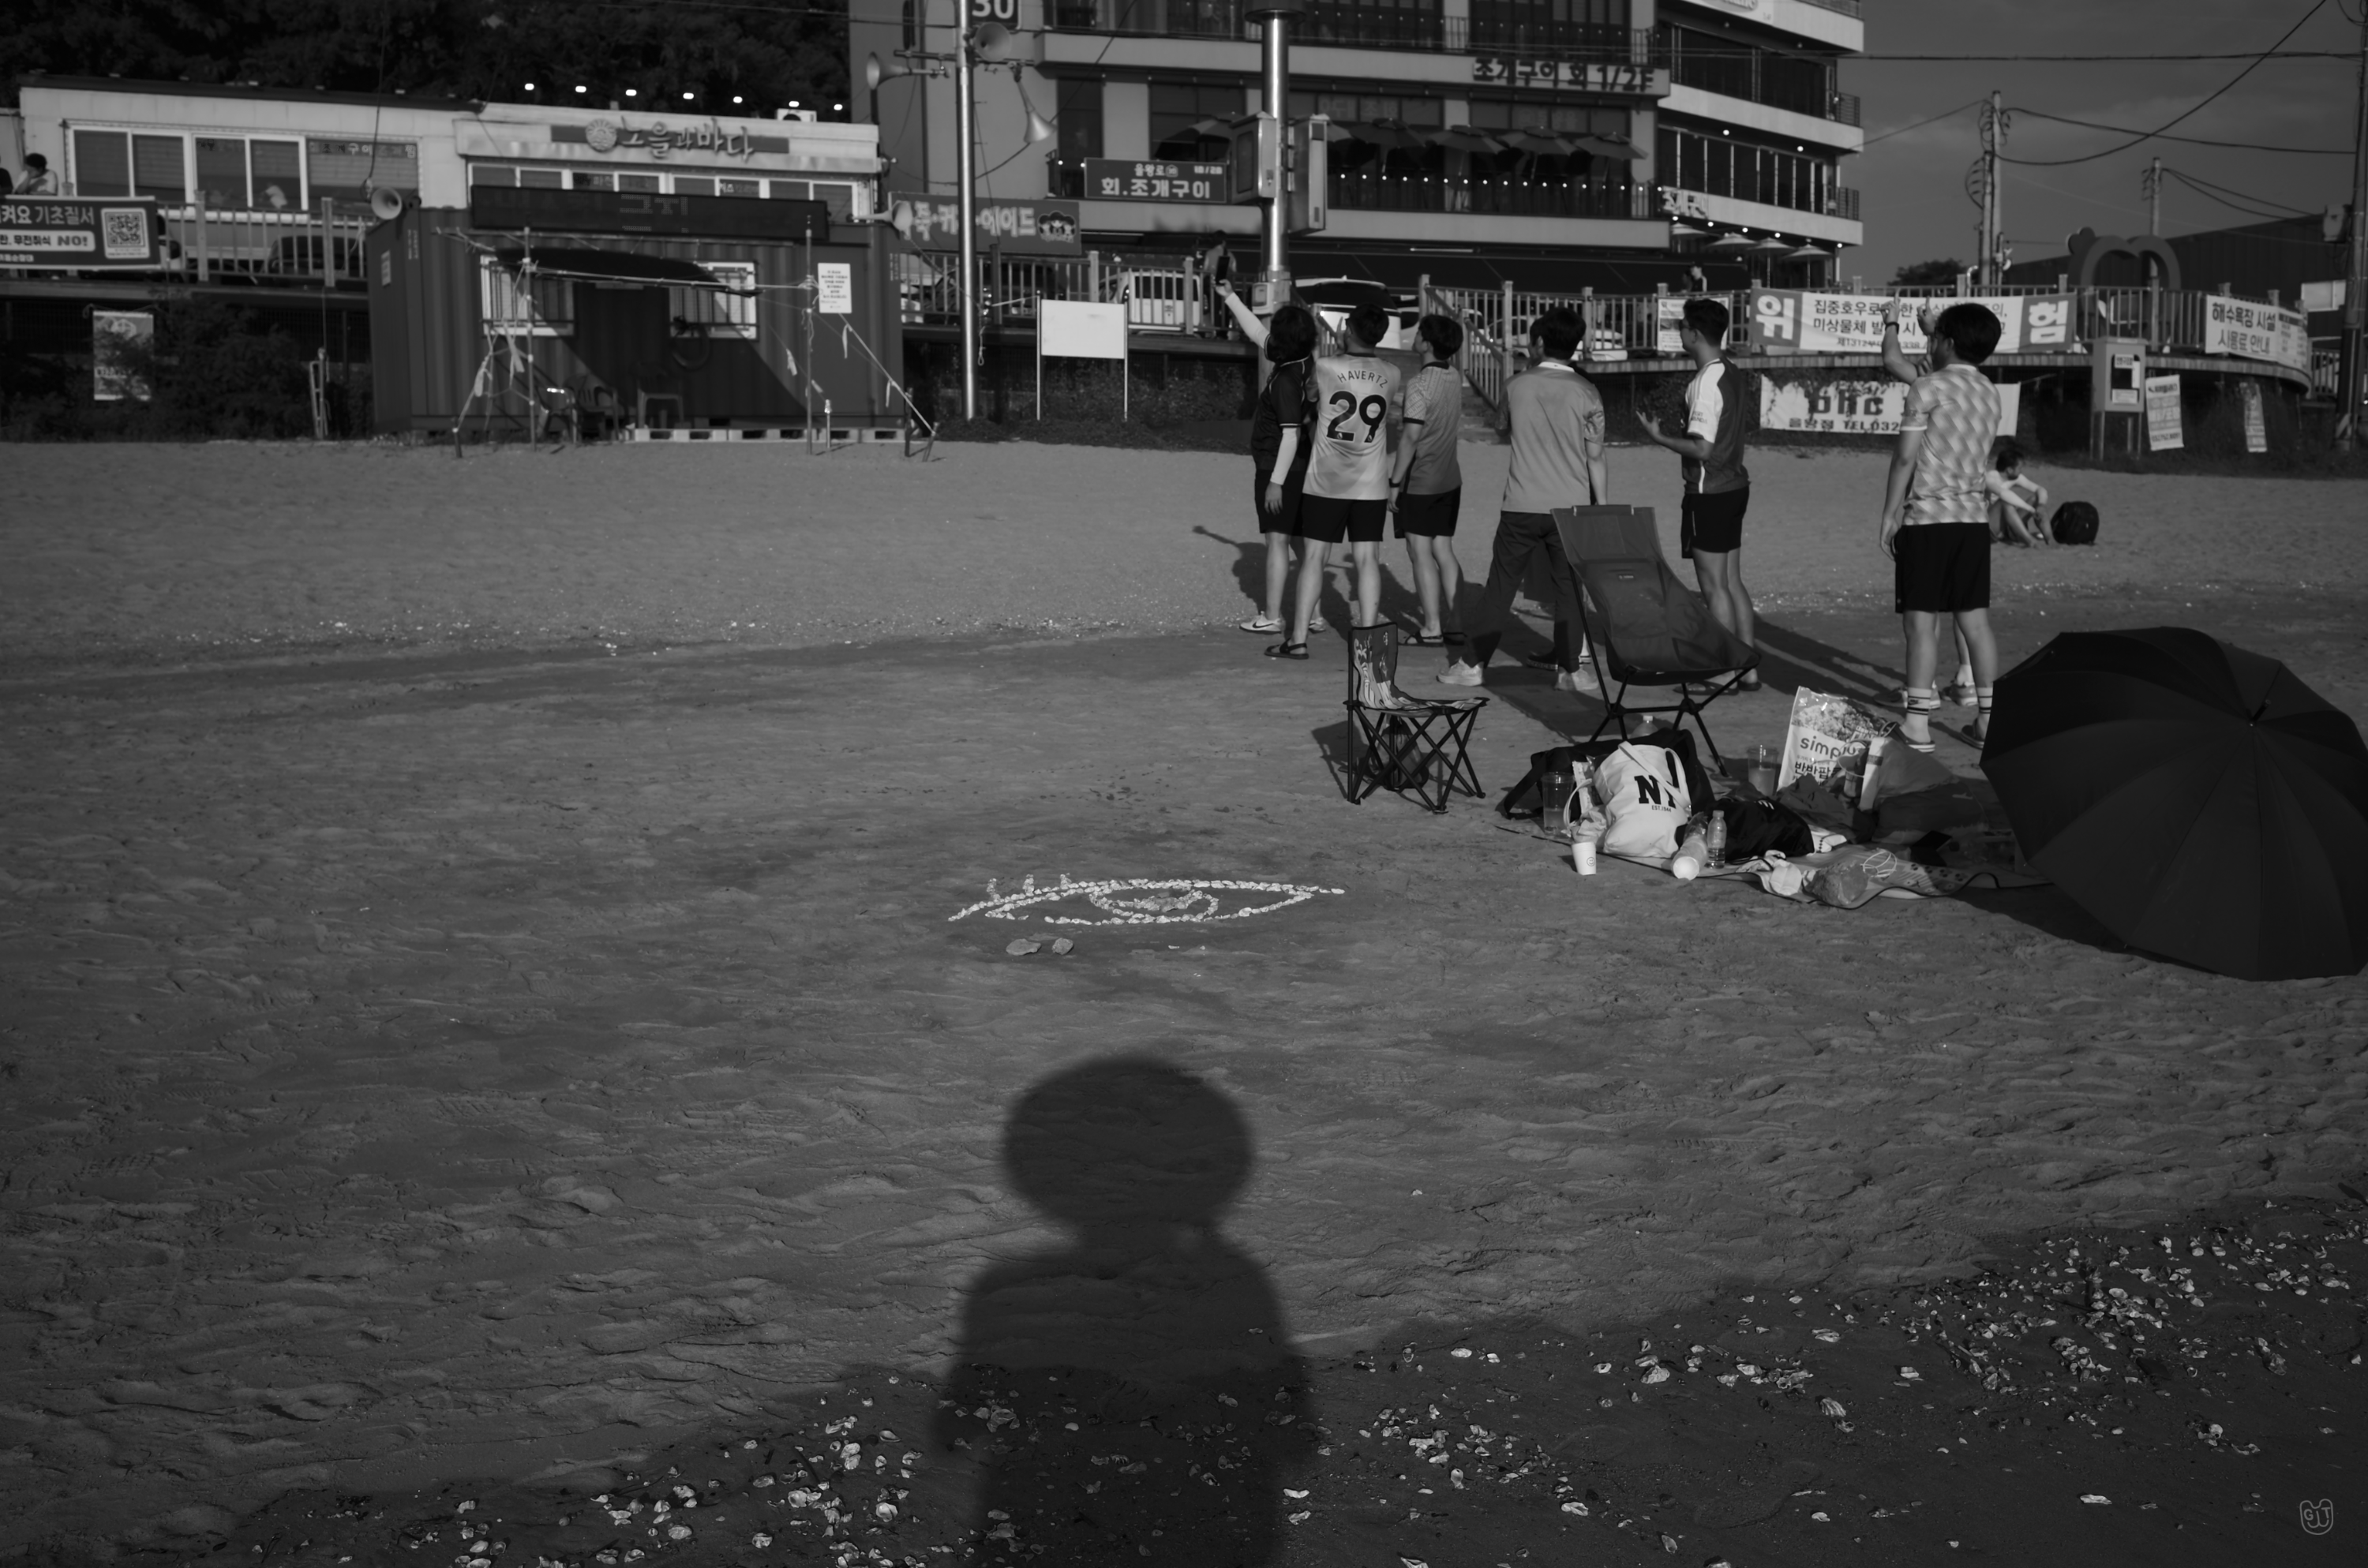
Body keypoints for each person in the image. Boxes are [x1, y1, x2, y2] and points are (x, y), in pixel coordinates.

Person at [1438, 305, 1605, 692]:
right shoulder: (1588, 391)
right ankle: (1571, 670)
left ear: (1540, 342)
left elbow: (1501, 429)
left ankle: (1472, 665)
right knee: (1569, 590)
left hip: (1522, 503)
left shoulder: (1516, 385)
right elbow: (1596, 456)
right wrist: (1601, 506)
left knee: (1501, 586)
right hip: (1571, 505)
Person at [1879, 301, 2005, 751]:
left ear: (1947, 341)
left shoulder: (1927, 387)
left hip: (1929, 519)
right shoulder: (1990, 392)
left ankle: (1917, 725)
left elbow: (1905, 457)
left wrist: (1890, 513)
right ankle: (1988, 720)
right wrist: (1937, 328)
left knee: (1921, 623)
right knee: (1976, 624)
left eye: (1935, 336)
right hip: (1973, 522)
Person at [1637, 294, 1759, 691]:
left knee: (1714, 586)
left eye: (1682, 326)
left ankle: (1724, 670)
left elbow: (1702, 449)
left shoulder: (1705, 381)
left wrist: (1658, 437)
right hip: (1735, 485)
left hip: (1710, 491)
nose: (1680, 333)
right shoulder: (1731, 371)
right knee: (1732, 581)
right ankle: (1748, 668)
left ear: (1694, 333)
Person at [1269, 301, 1399, 661]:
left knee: (1315, 557)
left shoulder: (1326, 367)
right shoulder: (1392, 373)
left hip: (1326, 479)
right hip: (1371, 480)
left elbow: (1311, 397)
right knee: (1368, 559)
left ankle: (1298, 639)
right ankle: (1368, 641)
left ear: (1349, 329)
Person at [1216, 279, 1323, 640]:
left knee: (1277, 541)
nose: (1270, 336)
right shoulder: (1304, 361)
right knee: (1300, 542)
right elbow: (1257, 333)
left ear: (1284, 340)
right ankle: (1313, 615)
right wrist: (1230, 297)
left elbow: (1290, 434)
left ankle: (1273, 617)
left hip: (1279, 466)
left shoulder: (1285, 380)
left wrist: (1275, 481)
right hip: (1303, 467)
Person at [1939, 437, 2049, 705]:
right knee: (1975, 619)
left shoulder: (1952, 471)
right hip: (1978, 538)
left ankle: (1962, 682)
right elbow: (2004, 495)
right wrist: (2031, 508)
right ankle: (1978, 694)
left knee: (1947, 613)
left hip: (1958, 538)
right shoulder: (1981, 473)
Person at [1388, 313, 1468, 647]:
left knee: (1418, 550)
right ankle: (1457, 622)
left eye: (1420, 332)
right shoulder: (1454, 376)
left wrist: (1394, 482)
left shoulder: (1419, 384)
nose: (1416, 336)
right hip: (1450, 477)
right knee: (1443, 549)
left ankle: (1432, 627)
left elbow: (1410, 438)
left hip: (1421, 479)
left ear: (1428, 343)